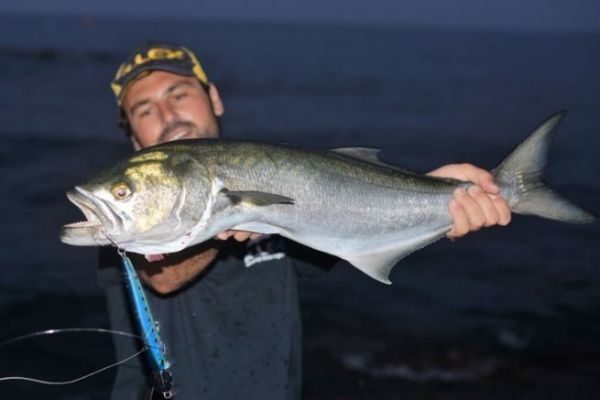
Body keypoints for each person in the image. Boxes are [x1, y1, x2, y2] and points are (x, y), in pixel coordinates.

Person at [98, 43, 511, 400]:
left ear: (215, 98)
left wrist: (437, 197)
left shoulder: (268, 174)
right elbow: (163, 278)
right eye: (145, 109)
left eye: (179, 94)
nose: (169, 115)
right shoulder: (128, 210)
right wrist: (230, 209)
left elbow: (346, 226)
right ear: (134, 137)